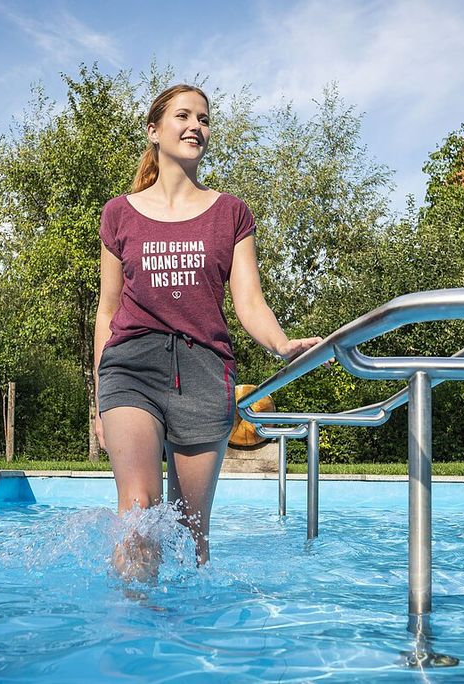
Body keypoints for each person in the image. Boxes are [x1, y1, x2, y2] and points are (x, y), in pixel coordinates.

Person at [94, 84, 321, 573]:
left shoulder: (231, 213)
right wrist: (98, 400)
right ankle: (133, 617)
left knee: (190, 531)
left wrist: (281, 343)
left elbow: (250, 301)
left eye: (203, 118)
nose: (195, 125)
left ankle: (187, 622)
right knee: (138, 514)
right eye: (183, 115)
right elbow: (107, 311)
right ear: (154, 131)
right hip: (131, 366)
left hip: (203, 371)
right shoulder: (118, 213)